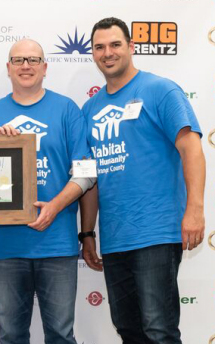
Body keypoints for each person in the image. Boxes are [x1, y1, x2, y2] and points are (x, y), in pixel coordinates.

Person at [80, 17, 205, 343]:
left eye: (115, 44)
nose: (107, 53)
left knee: (159, 331)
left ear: (131, 47)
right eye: (99, 47)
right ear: (93, 53)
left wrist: (195, 210)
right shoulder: (90, 109)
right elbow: (89, 178)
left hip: (156, 233)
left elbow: (191, 148)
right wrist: (88, 233)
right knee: (129, 330)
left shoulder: (159, 90)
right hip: (116, 238)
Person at [0, 39, 94, 344]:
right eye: (18, 60)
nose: (25, 65)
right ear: (8, 68)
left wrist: (54, 205)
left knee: (61, 335)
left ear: (45, 67)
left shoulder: (67, 109)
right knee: (11, 335)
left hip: (57, 245)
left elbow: (86, 173)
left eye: (33, 59)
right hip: (7, 247)